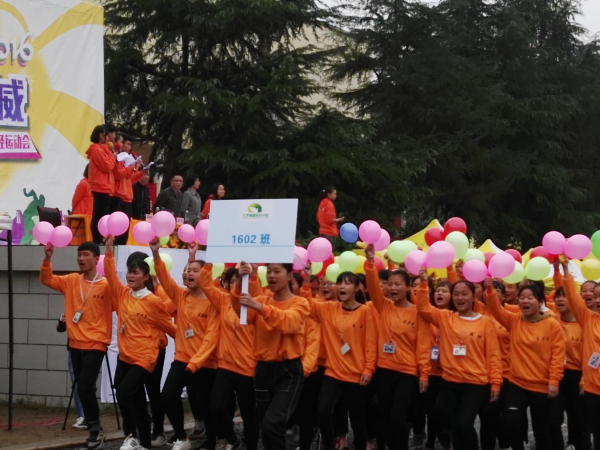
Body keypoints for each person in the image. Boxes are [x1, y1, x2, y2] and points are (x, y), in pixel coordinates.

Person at [415, 270, 502, 450]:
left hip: (475, 384)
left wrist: (495, 383)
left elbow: (493, 355)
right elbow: (423, 308)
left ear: (473, 297)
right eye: (456, 294)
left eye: (464, 294)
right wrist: (423, 284)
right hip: (450, 382)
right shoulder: (446, 318)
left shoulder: (485, 323)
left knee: (464, 423)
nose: (460, 298)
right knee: (455, 427)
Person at [104, 236, 176, 450]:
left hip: (145, 358)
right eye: (129, 271)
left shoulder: (154, 301)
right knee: (133, 397)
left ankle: (131, 435)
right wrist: (108, 250)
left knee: (124, 393)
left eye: (136, 272)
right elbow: (110, 275)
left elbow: (170, 328)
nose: (131, 276)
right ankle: (144, 442)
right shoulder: (123, 293)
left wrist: (193, 341)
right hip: (125, 356)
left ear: (146, 277)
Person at [40, 241, 113, 450]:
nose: (81, 258)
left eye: (86, 254)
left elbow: (120, 299)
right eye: (79, 255)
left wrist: (109, 251)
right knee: (83, 388)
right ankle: (93, 430)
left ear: (96, 259)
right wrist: (47, 258)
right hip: (75, 343)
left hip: (96, 344)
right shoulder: (71, 280)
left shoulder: (107, 285)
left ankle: (95, 430)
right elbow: (46, 279)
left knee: (84, 385)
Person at [230, 263, 310, 450]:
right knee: (267, 427)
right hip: (263, 369)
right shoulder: (262, 299)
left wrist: (260, 307)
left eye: (277, 271)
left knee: (272, 423)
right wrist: (239, 284)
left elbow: (288, 322)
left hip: (289, 371)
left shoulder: (300, 303)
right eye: (269, 271)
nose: (271, 276)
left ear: (289, 276)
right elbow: (242, 312)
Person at [150, 240, 219, 450]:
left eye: (195, 271)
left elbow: (211, 337)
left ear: (206, 275)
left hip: (205, 363)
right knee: (167, 396)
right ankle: (181, 437)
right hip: (182, 360)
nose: (189, 274)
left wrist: (197, 362)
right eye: (187, 270)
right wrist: (155, 254)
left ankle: (212, 441)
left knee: (205, 405)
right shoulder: (181, 296)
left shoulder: (214, 302)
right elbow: (165, 279)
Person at [484, 280, 565, 450]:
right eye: (522, 298)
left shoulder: (552, 324)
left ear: (540, 302)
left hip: (542, 386)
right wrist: (490, 290)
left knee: (541, 431)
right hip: (517, 384)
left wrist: (554, 381)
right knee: (510, 422)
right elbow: (496, 310)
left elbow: (558, 356)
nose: (525, 301)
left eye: (530, 298)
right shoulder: (514, 321)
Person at [364, 245, 429, 450]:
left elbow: (423, 345)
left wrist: (424, 373)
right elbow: (373, 287)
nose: (393, 288)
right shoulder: (383, 306)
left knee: (397, 417)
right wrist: (370, 263)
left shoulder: (417, 313)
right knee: (384, 416)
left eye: (398, 284)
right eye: (390, 284)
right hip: (384, 370)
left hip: (407, 373)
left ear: (408, 287)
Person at [193, 262, 261, 450]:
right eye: (231, 282)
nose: (235, 285)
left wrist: (253, 274)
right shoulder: (223, 300)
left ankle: (252, 445)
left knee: (248, 413)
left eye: (239, 281)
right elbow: (206, 285)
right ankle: (232, 439)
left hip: (247, 368)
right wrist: (209, 262)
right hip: (225, 366)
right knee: (216, 406)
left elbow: (255, 290)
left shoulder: (255, 302)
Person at [305, 269, 376, 450]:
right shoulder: (329, 308)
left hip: (356, 375)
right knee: (322, 412)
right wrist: (306, 281)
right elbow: (307, 305)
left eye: (347, 283)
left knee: (357, 419)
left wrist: (368, 369)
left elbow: (370, 342)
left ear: (356, 288)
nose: (342, 286)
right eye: (339, 283)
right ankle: (330, 445)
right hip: (333, 373)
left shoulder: (365, 311)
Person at [561, 257, 600, 449]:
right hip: (593, 389)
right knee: (597, 432)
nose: (598, 300)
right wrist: (565, 270)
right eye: (596, 296)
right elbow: (572, 297)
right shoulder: (588, 318)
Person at [550, 285, 592, 450]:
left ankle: (578, 445)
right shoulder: (551, 321)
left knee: (579, 421)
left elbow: (590, 356)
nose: (560, 300)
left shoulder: (584, 324)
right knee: (553, 418)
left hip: (578, 376)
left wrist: (584, 379)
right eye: (557, 297)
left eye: (565, 296)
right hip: (556, 376)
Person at [56, 313, 87, 430]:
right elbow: (60, 328)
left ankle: (88, 415)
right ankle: (81, 416)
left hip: (89, 349)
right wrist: (62, 319)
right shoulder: (71, 309)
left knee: (86, 384)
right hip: (74, 350)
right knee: (76, 384)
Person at [87, 125, 116, 244]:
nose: (108, 138)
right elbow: (107, 166)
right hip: (99, 186)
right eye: (106, 135)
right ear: (100, 135)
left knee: (102, 214)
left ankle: (100, 238)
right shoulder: (96, 150)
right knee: (99, 215)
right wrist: (113, 157)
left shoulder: (102, 149)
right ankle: (96, 239)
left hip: (104, 186)